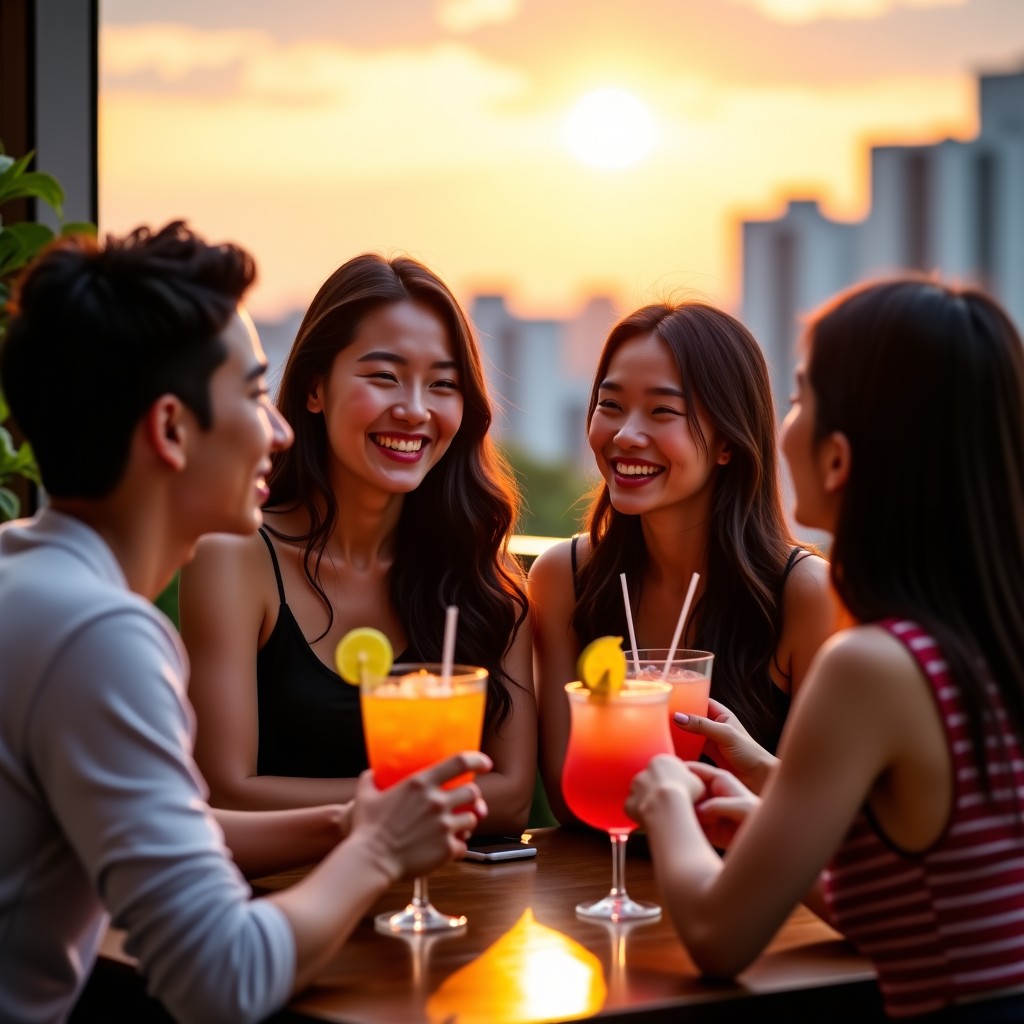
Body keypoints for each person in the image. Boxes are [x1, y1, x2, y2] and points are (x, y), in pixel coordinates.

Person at [0, 223, 490, 1024]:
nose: (280, 432)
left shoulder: (27, 575)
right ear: (170, 430)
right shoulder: (97, 636)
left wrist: (349, 820)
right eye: (257, 395)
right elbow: (223, 981)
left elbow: (178, 819)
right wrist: (376, 849)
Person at [626, 278, 1024, 1021]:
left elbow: (717, 936)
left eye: (802, 398)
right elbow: (929, 883)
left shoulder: (872, 665)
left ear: (838, 460)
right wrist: (765, 793)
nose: (783, 425)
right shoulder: (984, 633)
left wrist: (667, 802)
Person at [179, 252, 536, 833]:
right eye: (384, 376)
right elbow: (225, 793)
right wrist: (412, 806)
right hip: (284, 908)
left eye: (442, 384)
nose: (415, 410)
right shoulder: (235, 554)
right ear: (316, 388)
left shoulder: (484, 571)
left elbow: (512, 795)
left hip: (452, 908)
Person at [529, 300, 838, 824]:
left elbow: (832, 816)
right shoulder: (564, 578)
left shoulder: (806, 594)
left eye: (662, 411)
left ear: (726, 442)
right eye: (610, 405)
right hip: (600, 891)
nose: (625, 435)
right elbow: (569, 801)